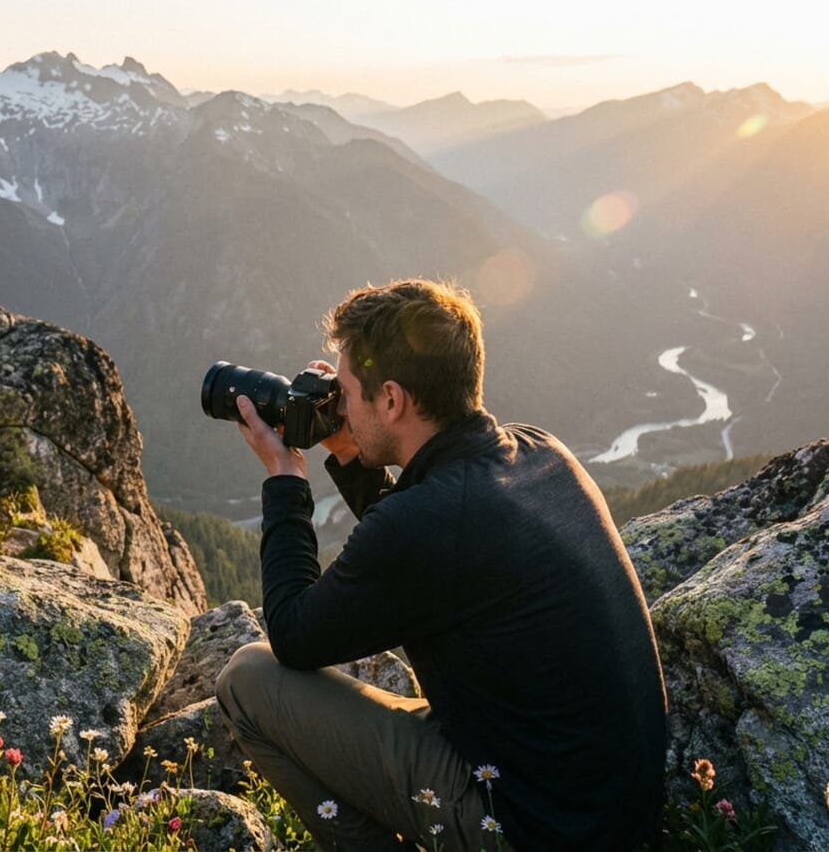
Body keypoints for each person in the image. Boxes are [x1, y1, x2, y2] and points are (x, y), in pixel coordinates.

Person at [215, 278, 667, 851]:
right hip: (606, 814)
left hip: (526, 829)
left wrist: (285, 480)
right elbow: (426, 542)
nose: (341, 405)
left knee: (247, 681)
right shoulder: (541, 451)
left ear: (393, 400)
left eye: (348, 391)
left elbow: (292, 634)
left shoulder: (428, 523)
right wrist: (353, 453)